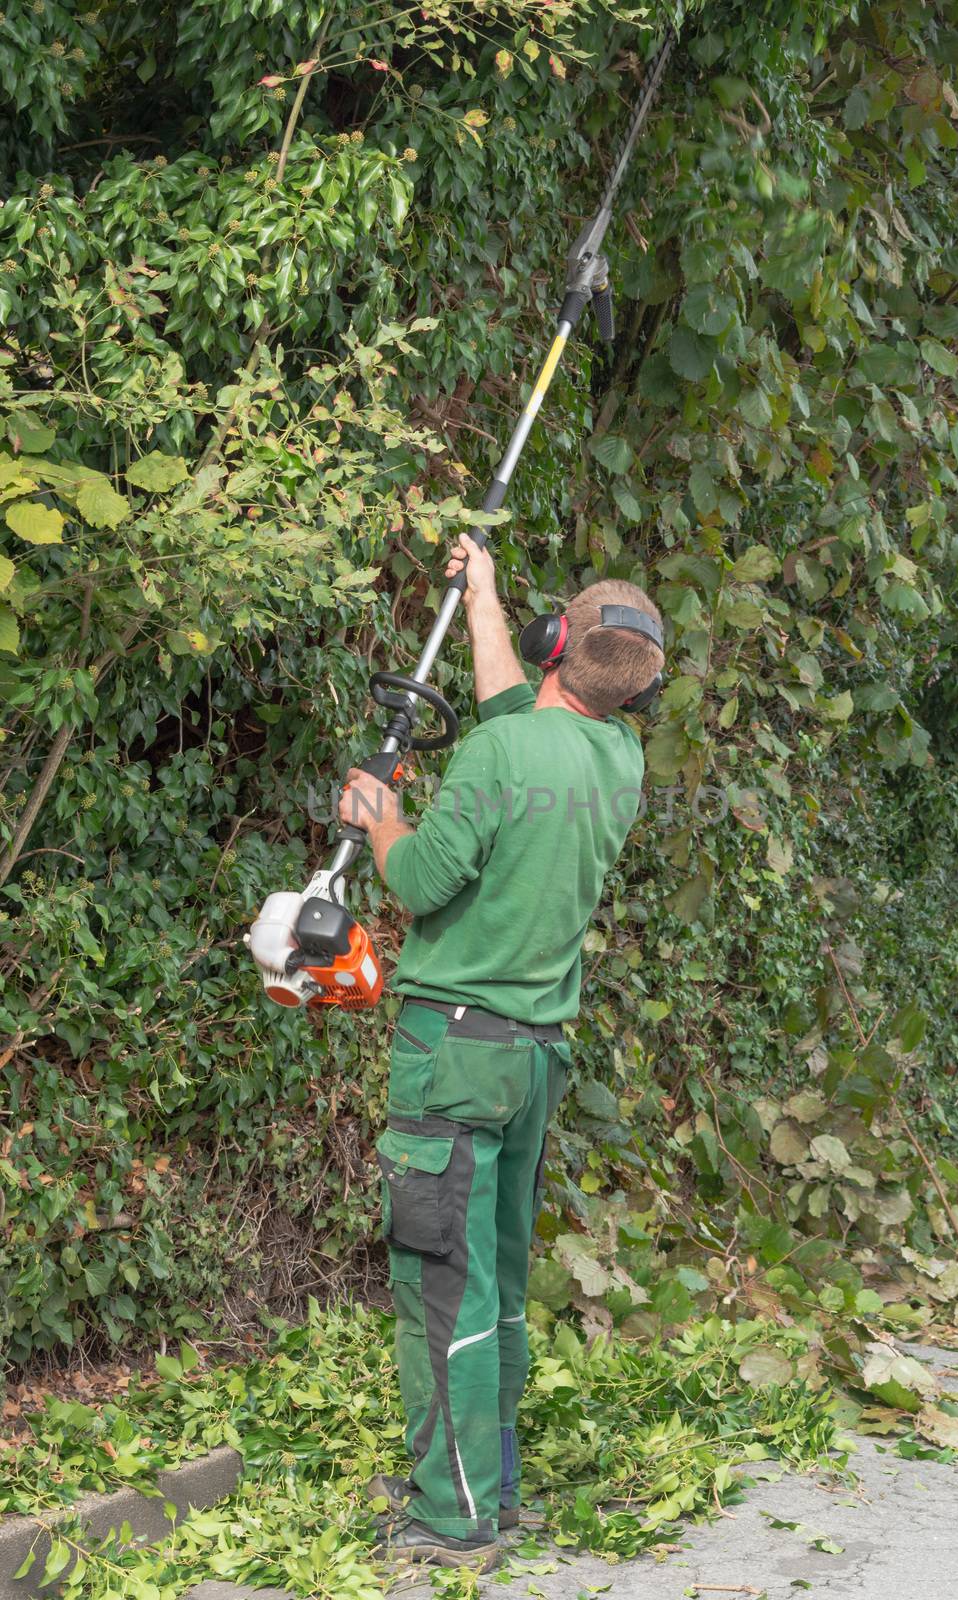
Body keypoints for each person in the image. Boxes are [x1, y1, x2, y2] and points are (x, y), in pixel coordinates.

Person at [338, 532, 664, 1571]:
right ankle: (489, 1485)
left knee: (441, 1284)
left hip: (454, 1051)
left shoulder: (501, 752)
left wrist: (381, 817)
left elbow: (424, 881)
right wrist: (477, 591)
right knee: (494, 1283)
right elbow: (506, 709)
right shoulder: (615, 756)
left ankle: (450, 1517)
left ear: (554, 637)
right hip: (532, 1056)